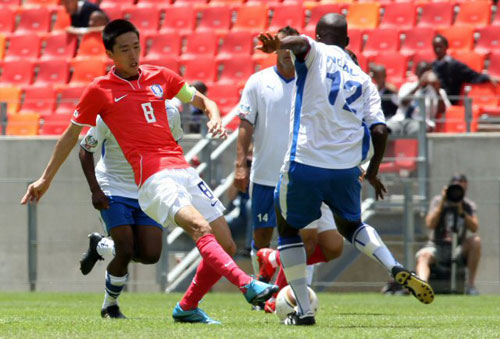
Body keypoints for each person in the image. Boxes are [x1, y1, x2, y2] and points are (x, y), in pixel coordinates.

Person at [21, 19, 277, 323]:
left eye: (136, 47)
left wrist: (215, 116)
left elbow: (202, 99)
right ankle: (247, 284)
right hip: (153, 176)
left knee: (226, 243)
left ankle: (187, 307)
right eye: (124, 49)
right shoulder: (100, 90)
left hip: (182, 168)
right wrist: (45, 178)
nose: (133, 55)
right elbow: (71, 136)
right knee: (199, 230)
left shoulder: (160, 76)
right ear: (110, 54)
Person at [257, 13, 434, 325]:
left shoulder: (316, 51)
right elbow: (380, 131)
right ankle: (393, 266)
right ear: (349, 42)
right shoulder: (364, 79)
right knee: (351, 225)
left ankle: (304, 310)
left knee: (286, 229)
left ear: (320, 35)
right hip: (346, 169)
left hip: (306, 161)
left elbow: (299, 44)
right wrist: (374, 172)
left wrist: (280, 43)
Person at [234, 25, 344, 312]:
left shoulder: (311, 81)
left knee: (315, 242)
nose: (286, 53)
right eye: (281, 47)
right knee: (261, 236)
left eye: (290, 46)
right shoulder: (257, 82)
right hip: (266, 174)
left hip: (302, 175)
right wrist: (240, 165)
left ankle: (284, 288)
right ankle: (265, 290)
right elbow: (245, 124)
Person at [78, 102, 188, 318]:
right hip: (113, 186)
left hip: (148, 187)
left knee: (150, 254)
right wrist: (95, 190)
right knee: (126, 249)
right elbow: (85, 150)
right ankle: (110, 306)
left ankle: (101, 245)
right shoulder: (110, 111)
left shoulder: (169, 112)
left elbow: (172, 149)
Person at [416, 174, 481, 295]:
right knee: (423, 256)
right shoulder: (438, 201)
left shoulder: (468, 205)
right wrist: (442, 202)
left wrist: (462, 212)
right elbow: (430, 224)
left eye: (461, 188)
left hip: (458, 247)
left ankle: (471, 286)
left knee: (476, 241)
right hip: (437, 245)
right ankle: (422, 286)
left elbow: (474, 228)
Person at [387, 61, 450, 135]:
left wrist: (437, 91)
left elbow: (442, 110)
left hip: (420, 121)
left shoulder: (438, 91)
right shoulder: (407, 86)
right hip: (400, 119)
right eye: (422, 72)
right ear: (416, 72)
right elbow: (403, 103)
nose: (424, 76)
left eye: (426, 73)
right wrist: (418, 86)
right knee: (384, 130)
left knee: (414, 131)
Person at [432, 34, 497, 105]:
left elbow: (472, 75)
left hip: (448, 101)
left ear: (446, 46)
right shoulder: (432, 65)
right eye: (435, 47)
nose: (437, 50)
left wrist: (488, 78)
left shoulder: (454, 65)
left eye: (440, 47)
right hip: (434, 98)